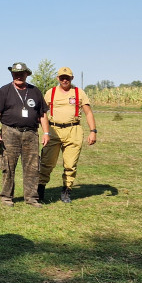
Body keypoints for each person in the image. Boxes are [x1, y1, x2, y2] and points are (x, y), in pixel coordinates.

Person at [0, 62, 49, 208]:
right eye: (15, 73)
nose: (18, 76)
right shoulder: (5, 91)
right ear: (12, 74)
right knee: (8, 166)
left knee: (32, 167)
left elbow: (42, 114)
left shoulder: (35, 91)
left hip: (30, 133)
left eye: (21, 73)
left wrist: (46, 132)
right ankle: (6, 197)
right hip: (10, 132)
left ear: (27, 74)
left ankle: (31, 198)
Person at [39, 67, 97, 203]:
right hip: (53, 130)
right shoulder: (50, 92)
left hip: (73, 130)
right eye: (62, 77)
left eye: (68, 77)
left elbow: (88, 112)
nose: (65, 80)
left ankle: (66, 191)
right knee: (47, 162)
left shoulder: (78, 93)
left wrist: (93, 131)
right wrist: (42, 131)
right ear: (57, 78)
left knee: (70, 164)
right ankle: (40, 190)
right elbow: (41, 112)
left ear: (72, 78)